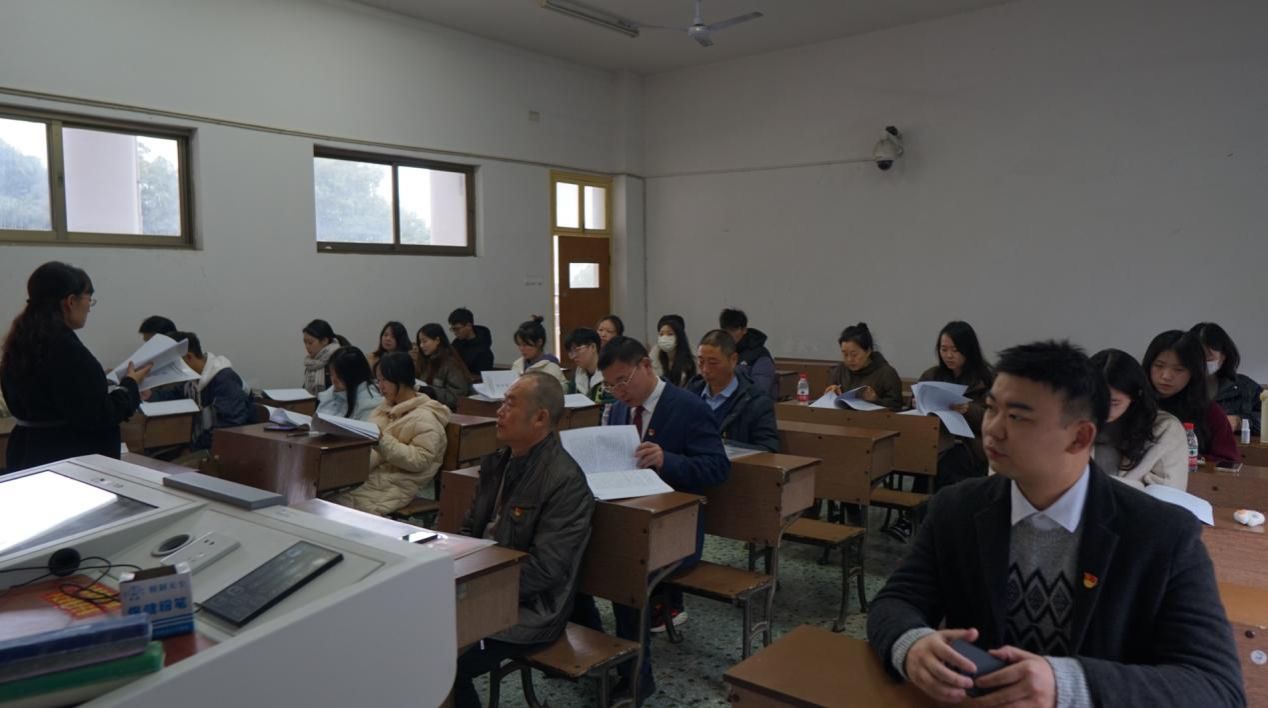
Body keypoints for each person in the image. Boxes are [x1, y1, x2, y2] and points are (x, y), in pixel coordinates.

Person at [867, 340, 1244, 707]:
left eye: (1018, 417)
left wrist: (1068, 686)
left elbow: (1216, 687)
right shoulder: (957, 508)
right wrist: (911, 644)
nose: (993, 429)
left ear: (1080, 437)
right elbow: (897, 601)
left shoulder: (1163, 535)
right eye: (992, 409)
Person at [572, 336, 729, 703]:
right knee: (570, 559)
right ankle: (597, 656)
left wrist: (667, 460)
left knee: (626, 574)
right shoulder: (619, 409)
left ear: (645, 365)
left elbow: (718, 469)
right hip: (626, 520)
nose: (618, 392)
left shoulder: (687, 406)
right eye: (610, 385)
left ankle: (636, 677)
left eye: (623, 381)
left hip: (675, 530)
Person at [453, 372, 595, 708]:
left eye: (510, 404)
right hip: (480, 587)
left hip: (530, 609)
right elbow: (469, 531)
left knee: (442, 660)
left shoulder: (564, 481)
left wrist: (479, 592)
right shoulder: (498, 462)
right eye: (502, 402)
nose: (499, 411)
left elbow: (546, 570)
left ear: (540, 418)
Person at [1, 262, 151, 468]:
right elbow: (99, 415)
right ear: (71, 301)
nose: (89, 307)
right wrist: (130, 386)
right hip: (67, 454)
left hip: (28, 449)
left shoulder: (20, 342)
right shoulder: (65, 349)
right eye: (89, 299)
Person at [887, 321, 994, 542]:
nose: (949, 355)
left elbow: (993, 420)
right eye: (944, 349)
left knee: (942, 463)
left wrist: (968, 409)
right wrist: (917, 403)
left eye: (955, 350)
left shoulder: (986, 379)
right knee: (924, 456)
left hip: (968, 445)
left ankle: (923, 521)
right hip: (934, 438)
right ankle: (918, 520)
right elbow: (913, 409)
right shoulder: (932, 375)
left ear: (968, 350)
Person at [331, 352, 450, 516]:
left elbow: (420, 460)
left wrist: (382, 440)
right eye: (378, 380)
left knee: (336, 507)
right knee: (322, 493)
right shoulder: (384, 408)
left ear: (400, 379)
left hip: (395, 484)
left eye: (384, 380)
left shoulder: (425, 417)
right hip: (369, 477)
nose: (380, 387)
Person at [1090, 349, 1188, 490]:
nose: (1102, 409)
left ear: (1135, 396)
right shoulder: (1072, 419)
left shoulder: (1166, 429)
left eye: (1114, 402)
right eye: (1095, 399)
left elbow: (1168, 494)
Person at [1143, 330, 1241, 464]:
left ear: (1194, 372)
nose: (1166, 376)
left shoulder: (1210, 412)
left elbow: (1228, 462)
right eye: (1159, 366)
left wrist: (1192, 459)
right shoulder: (1134, 403)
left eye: (1178, 369)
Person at [686, 330, 779, 452]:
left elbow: (768, 449)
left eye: (713, 363)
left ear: (733, 360)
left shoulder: (757, 402)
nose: (705, 369)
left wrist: (725, 445)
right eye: (701, 361)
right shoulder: (690, 393)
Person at [172, 331, 254, 451]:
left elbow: (229, 426)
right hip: (206, 445)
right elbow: (173, 394)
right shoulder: (191, 379)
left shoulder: (225, 380)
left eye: (173, 364)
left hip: (233, 448)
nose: (171, 369)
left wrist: (193, 449)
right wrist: (150, 395)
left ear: (189, 357)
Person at [1191, 322, 1264, 436]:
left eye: (1208, 358)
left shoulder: (1245, 387)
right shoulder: (1178, 385)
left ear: (1223, 356)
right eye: (1195, 357)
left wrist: (1239, 422)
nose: (1201, 363)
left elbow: (1264, 418)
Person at [825, 322, 903, 410]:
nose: (849, 359)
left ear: (868, 351)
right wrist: (830, 395)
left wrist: (875, 400)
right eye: (845, 354)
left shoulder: (886, 373)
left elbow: (896, 406)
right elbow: (831, 402)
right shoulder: (840, 370)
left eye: (854, 354)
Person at [719, 308, 778, 400]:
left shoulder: (760, 355)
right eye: (725, 331)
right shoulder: (720, 352)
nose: (729, 335)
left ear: (744, 330)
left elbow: (760, 390)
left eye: (733, 330)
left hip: (749, 405)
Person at [414, 323, 473, 411]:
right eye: (420, 342)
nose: (421, 346)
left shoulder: (451, 364)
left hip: (447, 411)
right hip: (427, 408)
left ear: (437, 340)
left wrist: (431, 391)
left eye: (425, 341)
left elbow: (457, 398)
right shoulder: (424, 362)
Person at [315, 346, 382, 422]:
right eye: (331, 374)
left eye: (339, 376)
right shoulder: (333, 391)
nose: (333, 381)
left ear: (353, 375)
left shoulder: (369, 403)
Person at [509, 316, 566, 385]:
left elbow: (560, 389)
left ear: (539, 342)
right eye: (519, 344)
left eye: (525, 345)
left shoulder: (551, 367)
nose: (521, 348)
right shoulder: (517, 365)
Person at [301, 319, 348, 396]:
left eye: (310, 343)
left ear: (324, 341)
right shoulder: (311, 364)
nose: (307, 346)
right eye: (305, 342)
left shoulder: (338, 361)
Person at [649, 314, 696, 388]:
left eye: (670, 334)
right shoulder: (654, 354)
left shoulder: (691, 358)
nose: (665, 338)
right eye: (661, 334)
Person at [449, 307, 495, 375]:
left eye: (457, 329)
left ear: (469, 326)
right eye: (453, 329)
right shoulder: (456, 343)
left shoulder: (484, 352)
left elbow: (482, 377)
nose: (455, 332)